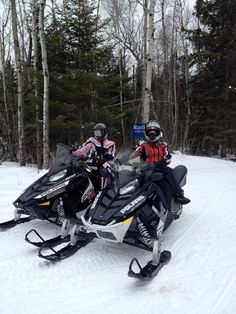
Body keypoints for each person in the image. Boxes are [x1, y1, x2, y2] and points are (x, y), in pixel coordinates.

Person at [131, 120, 190, 209]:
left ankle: (178, 195)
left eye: (154, 133)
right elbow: (133, 154)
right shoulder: (142, 145)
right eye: (150, 133)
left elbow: (168, 156)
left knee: (168, 171)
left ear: (158, 133)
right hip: (146, 169)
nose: (152, 135)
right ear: (146, 133)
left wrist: (163, 162)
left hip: (160, 169)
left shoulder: (163, 145)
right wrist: (128, 159)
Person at [72, 122, 116, 190]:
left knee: (106, 170)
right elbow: (82, 150)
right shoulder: (91, 141)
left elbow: (111, 155)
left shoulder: (110, 144)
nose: (98, 135)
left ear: (104, 132)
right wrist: (72, 152)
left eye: (100, 132)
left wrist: (104, 158)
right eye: (96, 132)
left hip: (103, 167)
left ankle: (108, 186)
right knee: (79, 172)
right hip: (91, 166)